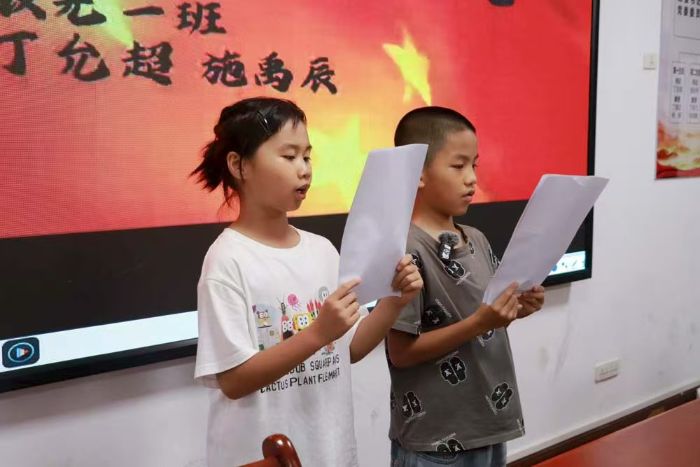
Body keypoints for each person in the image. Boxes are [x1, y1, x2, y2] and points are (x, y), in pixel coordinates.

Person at [191, 97, 422, 467]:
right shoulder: (227, 260)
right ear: (239, 165)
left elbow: (349, 349)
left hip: (330, 452)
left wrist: (394, 300)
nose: (304, 170)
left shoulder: (323, 250)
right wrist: (317, 333)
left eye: (307, 156)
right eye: (289, 156)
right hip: (263, 458)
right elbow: (233, 380)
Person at [385, 106, 544, 467]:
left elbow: (482, 318)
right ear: (418, 172)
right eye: (458, 166)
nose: (471, 178)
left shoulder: (476, 238)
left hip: (488, 424)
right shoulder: (404, 248)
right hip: (434, 440)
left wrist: (515, 309)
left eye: (474, 165)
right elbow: (401, 352)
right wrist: (480, 322)